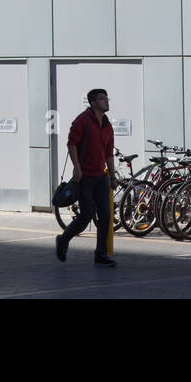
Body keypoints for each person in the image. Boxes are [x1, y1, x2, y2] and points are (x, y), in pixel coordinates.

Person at [56, 88, 116, 266]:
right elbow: (72, 143)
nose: (106, 101)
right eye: (102, 99)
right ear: (93, 102)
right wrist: (77, 168)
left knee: (105, 216)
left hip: (101, 177)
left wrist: (112, 176)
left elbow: (109, 153)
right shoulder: (83, 120)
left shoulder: (107, 125)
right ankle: (63, 239)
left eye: (107, 98)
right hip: (85, 177)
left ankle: (101, 255)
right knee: (87, 215)